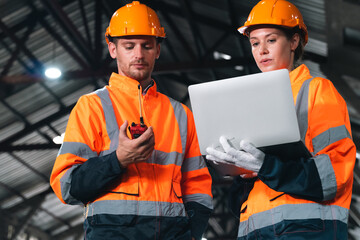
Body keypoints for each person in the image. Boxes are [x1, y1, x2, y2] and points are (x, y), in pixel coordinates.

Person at [50, 2, 213, 239]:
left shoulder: (180, 114)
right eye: (129, 46)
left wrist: (191, 234)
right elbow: (68, 187)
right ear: (113, 49)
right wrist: (117, 160)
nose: (138, 54)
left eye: (146, 46)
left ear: (157, 50)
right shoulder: (92, 106)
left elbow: (197, 187)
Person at [206, 0, 356, 239]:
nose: (261, 50)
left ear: (294, 41)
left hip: (305, 230)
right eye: (255, 43)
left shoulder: (315, 90)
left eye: (271, 40)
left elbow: (334, 175)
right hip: (254, 231)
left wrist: (265, 166)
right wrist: (241, 173)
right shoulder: (247, 106)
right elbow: (239, 206)